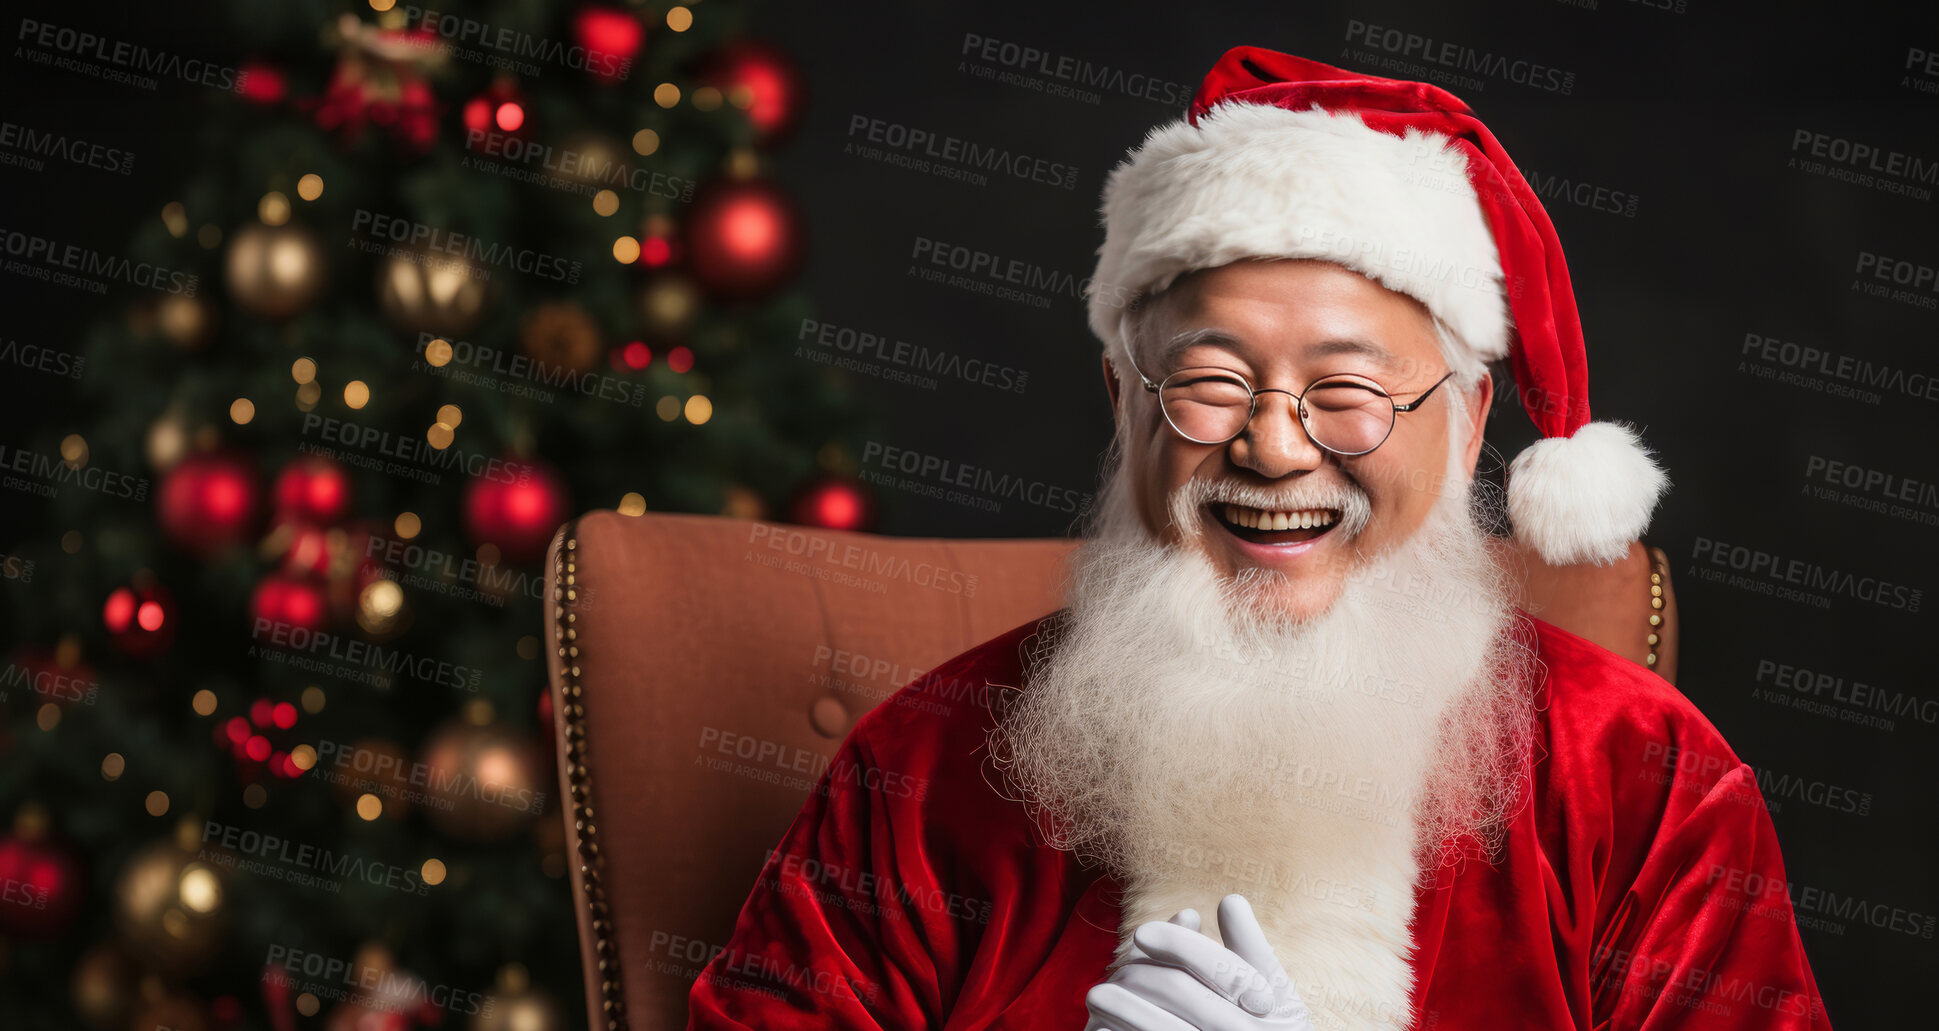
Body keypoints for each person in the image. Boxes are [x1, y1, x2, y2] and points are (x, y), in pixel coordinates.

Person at [685, 45, 1831, 1031]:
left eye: (1346, 391)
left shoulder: (1640, 776)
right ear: (1123, 402)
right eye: (1210, 382)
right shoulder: (924, 768)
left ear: (1470, 419)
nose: (1275, 449)